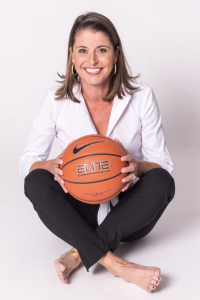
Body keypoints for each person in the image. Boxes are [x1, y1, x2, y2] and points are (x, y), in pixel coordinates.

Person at [19, 12, 175, 293]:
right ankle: (116, 264)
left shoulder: (142, 96)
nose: (91, 61)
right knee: (35, 180)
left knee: (163, 181)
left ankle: (78, 252)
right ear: (71, 55)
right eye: (82, 51)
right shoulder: (56, 100)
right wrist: (51, 164)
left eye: (101, 50)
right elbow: (27, 160)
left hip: (130, 213)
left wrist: (137, 167)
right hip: (80, 205)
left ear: (116, 53)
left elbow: (163, 164)